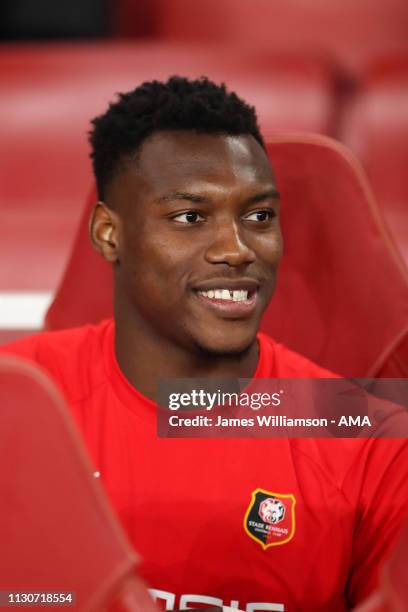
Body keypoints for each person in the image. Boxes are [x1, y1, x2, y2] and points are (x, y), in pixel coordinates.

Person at [1, 76, 406, 612]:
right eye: (190, 217)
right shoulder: (19, 405)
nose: (238, 250)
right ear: (109, 234)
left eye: (258, 216)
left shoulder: (368, 437)